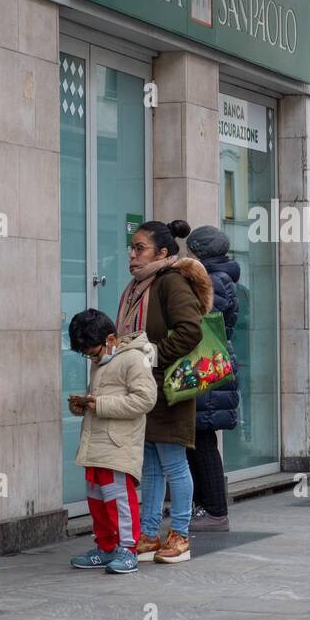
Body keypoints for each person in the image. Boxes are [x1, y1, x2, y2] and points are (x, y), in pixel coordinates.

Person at [117, 219, 211, 566]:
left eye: (139, 247)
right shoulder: (137, 286)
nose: (132, 254)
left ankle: (181, 535)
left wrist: (153, 353)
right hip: (144, 387)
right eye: (132, 247)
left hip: (169, 386)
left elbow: (190, 331)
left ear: (163, 252)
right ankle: (150, 534)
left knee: (173, 462)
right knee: (153, 465)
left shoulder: (170, 282)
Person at [67, 310, 157, 575]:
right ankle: (106, 547)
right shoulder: (101, 361)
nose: (91, 358)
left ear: (110, 339)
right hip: (96, 443)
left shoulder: (134, 359)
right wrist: (84, 405)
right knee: (97, 500)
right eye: (86, 354)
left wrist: (100, 404)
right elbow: (100, 397)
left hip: (118, 444)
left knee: (119, 500)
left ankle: (127, 549)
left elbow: (145, 400)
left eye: (93, 352)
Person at [187, 225, 239, 532]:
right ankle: (206, 507)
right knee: (197, 438)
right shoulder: (219, 276)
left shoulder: (212, 280)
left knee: (202, 438)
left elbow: (202, 320)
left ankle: (216, 511)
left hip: (206, 364)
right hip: (208, 363)